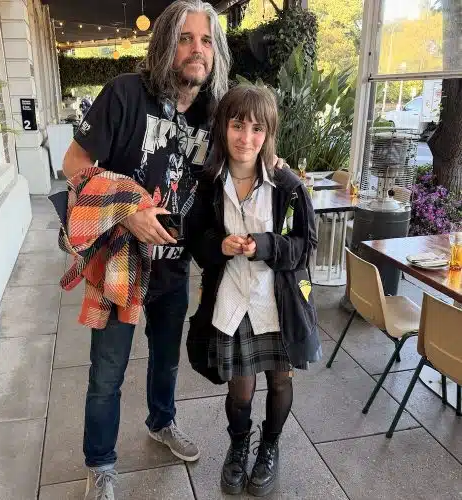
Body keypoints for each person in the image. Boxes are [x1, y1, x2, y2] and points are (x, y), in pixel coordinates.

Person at [61, 2, 230, 499]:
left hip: (174, 270)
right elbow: (74, 162)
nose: (196, 50)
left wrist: (276, 165)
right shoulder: (125, 94)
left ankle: (162, 422)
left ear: (215, 52)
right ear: (166, 45)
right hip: (119, 267)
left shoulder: (215, 112)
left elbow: (248, 149)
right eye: (185, 38)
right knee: (107, 374)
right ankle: (100, 464)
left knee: (166, 361)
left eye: (205, 40)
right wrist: (125, 210)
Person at [187, 84, 322, 496]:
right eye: (237, 125)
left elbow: (306, 246)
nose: (246, 137)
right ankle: (239, 444)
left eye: (257, 128)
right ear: (223, 128)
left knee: (279, 381)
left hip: (277, 302)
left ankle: (270, 445)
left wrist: (265, 246)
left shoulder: (287, 186)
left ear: (268, 133)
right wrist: (219, 246)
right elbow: (196, 239)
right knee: (240, 386)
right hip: (232, 300)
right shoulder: (209, 182)